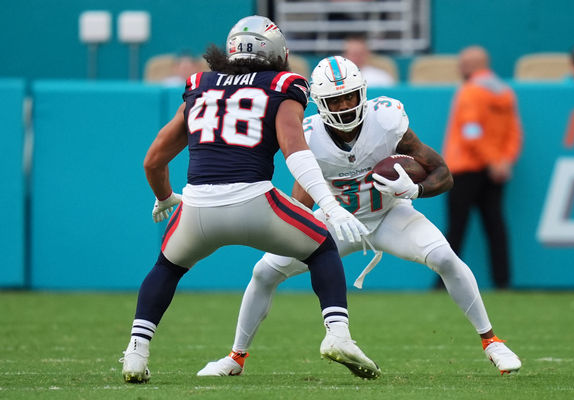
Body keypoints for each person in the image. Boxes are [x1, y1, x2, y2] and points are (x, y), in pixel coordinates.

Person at [196, 56, 522, 377]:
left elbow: (442, 173)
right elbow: (300, 202)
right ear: (320, 103)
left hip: (389, 216)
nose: (344, 106)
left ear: (362, 93)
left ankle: (491, 341)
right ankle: (236, 357)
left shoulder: (386, 119)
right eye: (334, 100)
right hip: (338, 222)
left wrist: (415, 190)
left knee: (444, 257)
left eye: (349, 96)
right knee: (264, 272)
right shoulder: (310, 137)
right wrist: (287, 234)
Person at [119, 16, 382, 383]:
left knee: (166, 267)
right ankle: (338, 335)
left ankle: (136, 352)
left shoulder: (200, 84)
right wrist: (331, 204)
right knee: (322, 246)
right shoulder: (283, 84)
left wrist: (165, 197)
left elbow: (154, 159)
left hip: (196, 208)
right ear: (276, 52)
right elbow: (296, 151)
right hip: (255, 201)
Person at [442, 45, 522, 289]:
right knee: (495, 226)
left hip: (466, 169)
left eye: (462, 64)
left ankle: (443, 283)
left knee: (456, 229)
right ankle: (503, 281)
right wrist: (502, 161)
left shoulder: (470, 92)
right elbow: (513, 133)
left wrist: (490, 160)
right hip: (494, 171)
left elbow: (471, 131)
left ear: (470, 66)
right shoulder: (505, 92)